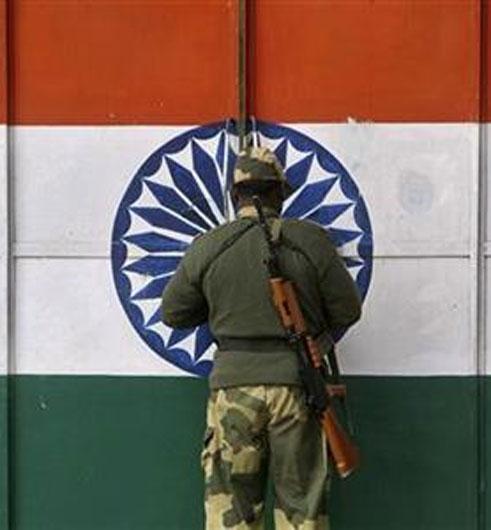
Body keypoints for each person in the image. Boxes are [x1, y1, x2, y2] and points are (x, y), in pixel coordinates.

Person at [161, 146, 362, 530]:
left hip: (233, 390)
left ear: (235, 196)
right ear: (280, 193)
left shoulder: (210, 245)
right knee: (302, 511)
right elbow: (347, 311)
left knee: (230, 512)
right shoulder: (311, 240)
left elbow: (174, 313)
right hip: (297, 390)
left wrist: (222, 307)